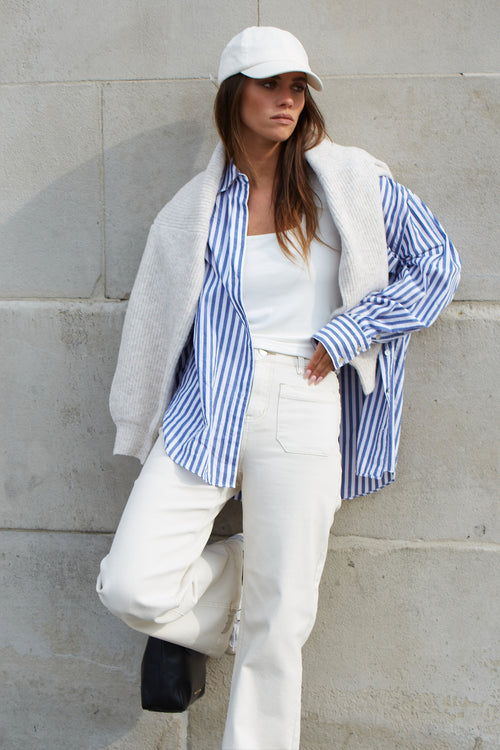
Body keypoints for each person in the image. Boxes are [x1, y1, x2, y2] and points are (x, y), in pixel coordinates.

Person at [96, 26, 460, 750]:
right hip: (207, 405)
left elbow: (438, 264)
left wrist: (351, 330)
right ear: (234, 94)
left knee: (279, 626)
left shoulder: (350, 182)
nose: (287, 100)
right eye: (271, 85)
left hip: (304, 394)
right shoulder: (194, 209)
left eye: (297, 87)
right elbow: (155, 323)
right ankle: (243, 568)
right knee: (131, 584)